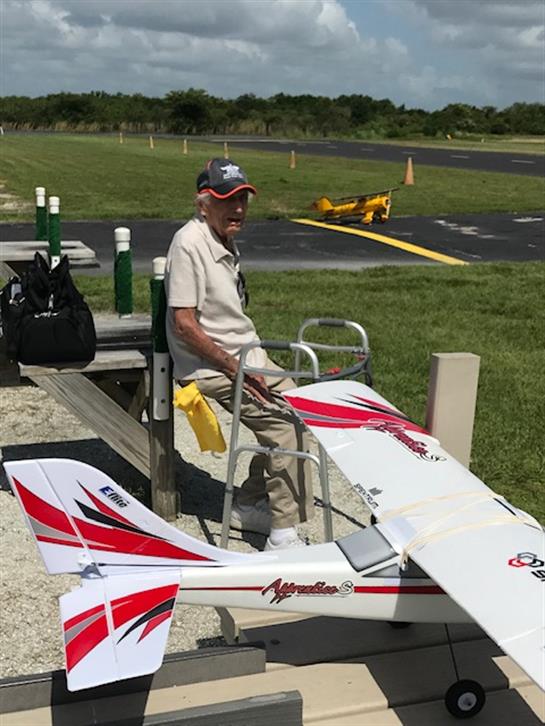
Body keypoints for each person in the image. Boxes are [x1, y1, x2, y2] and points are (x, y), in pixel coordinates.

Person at [164, 158, 314, 550]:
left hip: (245, 354)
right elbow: (184, 324)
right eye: (227, 199)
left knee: (302, 411)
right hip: (211, 366)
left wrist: (248, 362)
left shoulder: (223, 238)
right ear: (203, 204)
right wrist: (238, 369)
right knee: (284, 428)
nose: (238, 208)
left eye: (243, 199)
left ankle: (249, 503)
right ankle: (283, 536)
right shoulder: (189, 244)